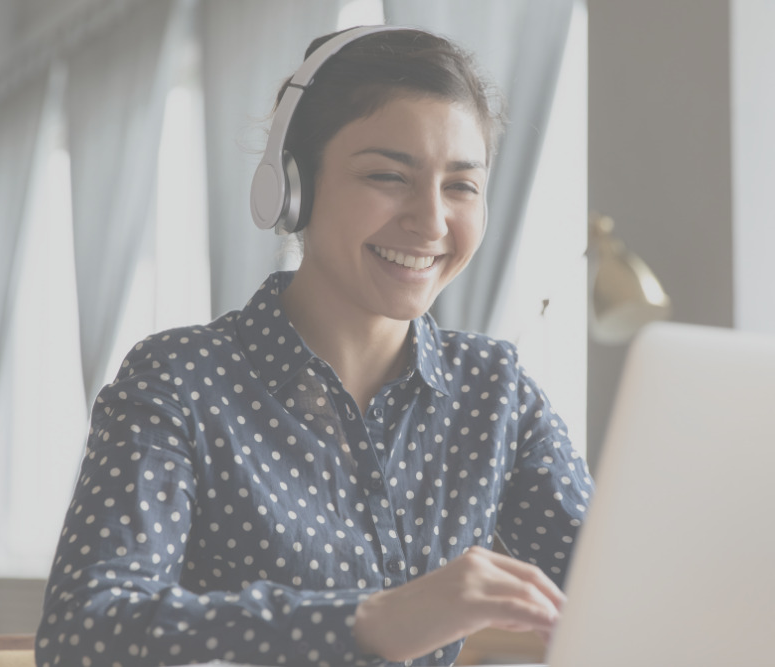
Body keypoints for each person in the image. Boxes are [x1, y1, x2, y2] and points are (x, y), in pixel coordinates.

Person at [36, 25, 593, 667]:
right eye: (388, 176)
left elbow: (617, 585)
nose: (432, 221)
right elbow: (84, 633)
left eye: (461, 185)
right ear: (293, 188)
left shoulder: (496, 391)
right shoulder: (181, 380)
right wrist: (372, 622)